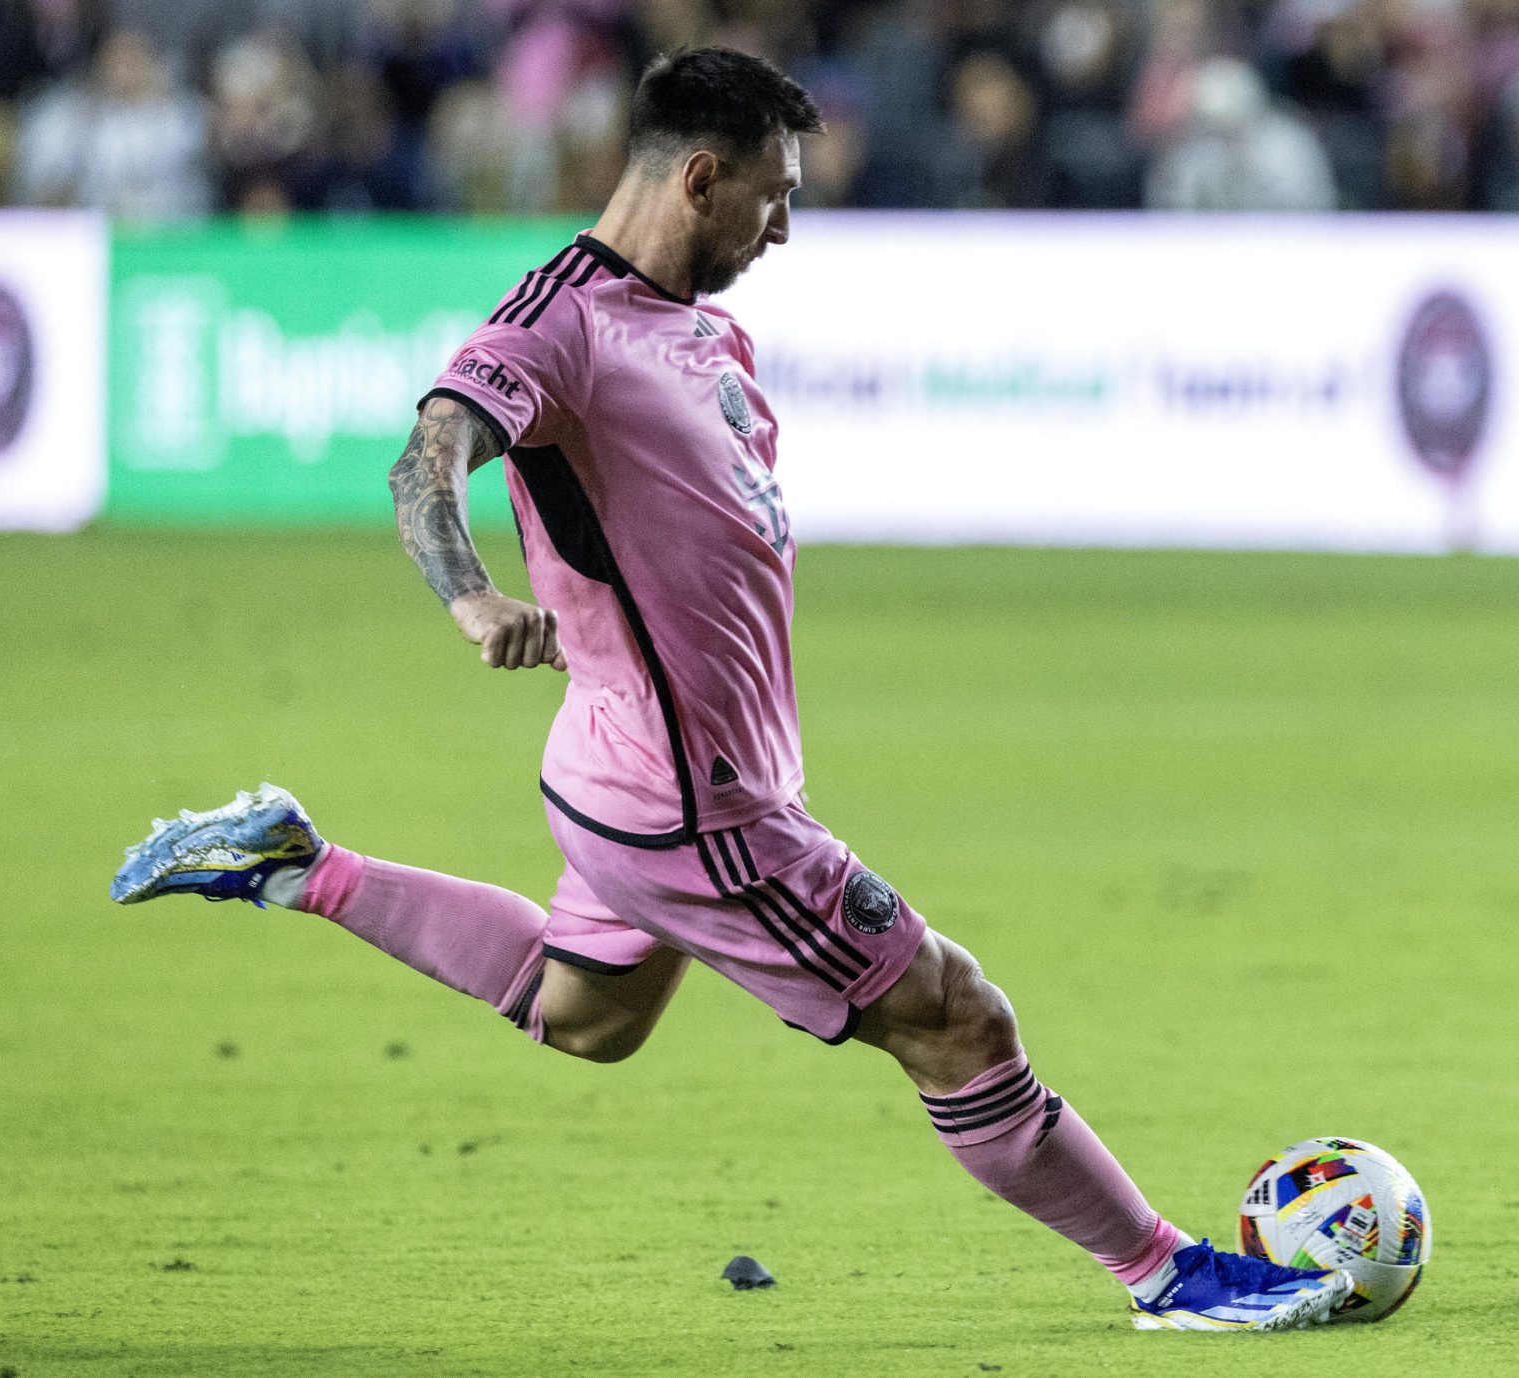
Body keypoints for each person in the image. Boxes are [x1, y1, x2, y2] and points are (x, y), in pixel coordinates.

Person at [111, 46, 1353, 1333]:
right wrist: (474, 597)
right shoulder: (559, 323)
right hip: (688, 800)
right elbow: (429, 456)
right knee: (958, 1017)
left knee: (586, 1014)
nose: (785, 226)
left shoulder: (709, 331)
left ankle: (299, 864)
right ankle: (1167, 1275)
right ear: (700, 178)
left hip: (626, 767)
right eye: (775, 194)